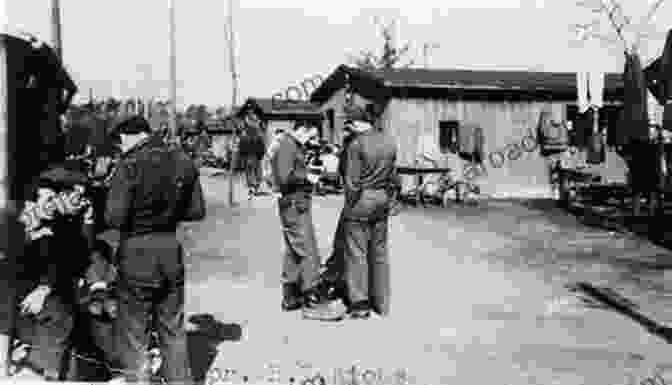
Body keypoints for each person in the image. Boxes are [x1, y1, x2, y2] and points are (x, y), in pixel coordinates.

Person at [104, 115, 206, 382]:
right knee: (173, 329)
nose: (120, 146)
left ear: (134, 136)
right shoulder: (184, 161)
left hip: (137, 253)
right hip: (170, 251)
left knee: (134, 333)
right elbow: (196, 211)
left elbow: (114, 217)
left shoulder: (129, 165)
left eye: (121, 140)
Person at [271, 122, 343, 321]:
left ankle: (291, 296)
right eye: (311, 136)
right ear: (301, 129)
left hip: (296, 202)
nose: (313, 141)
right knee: (308, 250)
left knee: (294, 251)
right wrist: (308, 176)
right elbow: (285, 177)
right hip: (294, 203)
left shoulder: (293, 145)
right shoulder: (287, 145)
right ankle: (313, 300)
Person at [339, 107, 398, 319]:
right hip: (382, 199)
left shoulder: (356, 145)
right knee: (380, 253)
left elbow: (352, 183)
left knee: (357, 252)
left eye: (350, 124)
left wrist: (350, 205)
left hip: (361, 201)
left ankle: (360, 304)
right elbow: (394, 178)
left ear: (356, 123)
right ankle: (382, 303)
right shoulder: (389, 142)